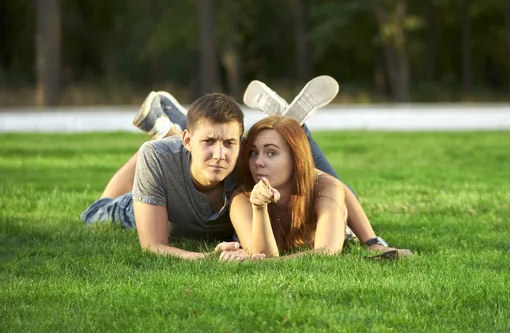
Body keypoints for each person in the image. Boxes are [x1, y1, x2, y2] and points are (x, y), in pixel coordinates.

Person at [81, 77, 341, 260]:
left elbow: (313, 176)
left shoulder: (252, 160)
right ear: (188, 141)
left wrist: (362, 234)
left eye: (229, 143)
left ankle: (293, 124)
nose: (219, 155)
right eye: (208, 142)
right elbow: (153, 246)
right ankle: (165, 133)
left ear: (239, 144)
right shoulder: (158, 160)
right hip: (146, 203)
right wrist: (210, 257)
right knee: (94, 213)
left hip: (187, 153)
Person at [227, 116, 413, 259]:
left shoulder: (323, 186)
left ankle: (302, 128)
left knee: (335, 186)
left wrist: (372, 243)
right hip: (321, 187)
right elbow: (263, 258)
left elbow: (326, 252)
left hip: (340, 216)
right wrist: (259, 208)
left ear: (295, 159)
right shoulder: (241, 199)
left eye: (271, 153)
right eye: (253, 152)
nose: (258, 162)